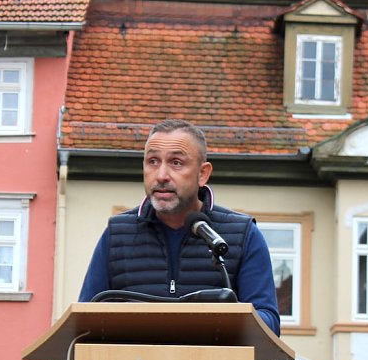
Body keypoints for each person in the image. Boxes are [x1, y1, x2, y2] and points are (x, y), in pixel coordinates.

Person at [78, 119, 281, 336]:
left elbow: (268, 323)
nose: (162, 175)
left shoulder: (241, 234)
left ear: (202, 174)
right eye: (153, 161)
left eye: (176, 163)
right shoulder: (117, 233)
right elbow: (84, 320)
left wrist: (216, 320)